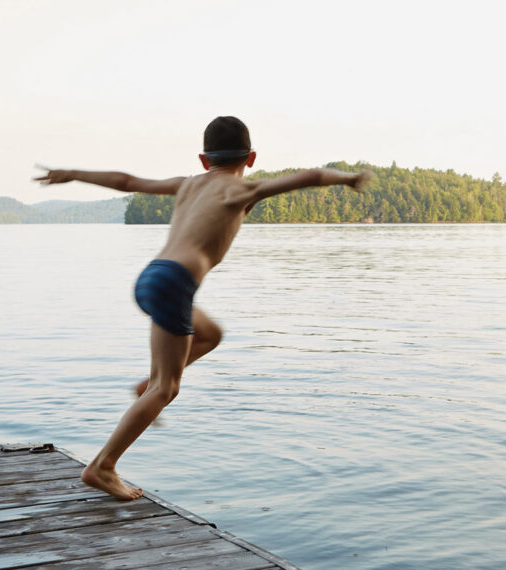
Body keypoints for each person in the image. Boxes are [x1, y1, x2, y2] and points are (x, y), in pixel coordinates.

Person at [34, 116, 370, 500]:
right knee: (168, 389)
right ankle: (103, 467)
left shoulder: (187, 185)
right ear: (252, 157)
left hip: (152, 277)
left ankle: (148, 385)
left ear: (202, 158)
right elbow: (310, 175)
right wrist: (348, 178)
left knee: (210, 335)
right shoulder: (242, 189)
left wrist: (71, 173)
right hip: (175, 284)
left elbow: (127, 182)